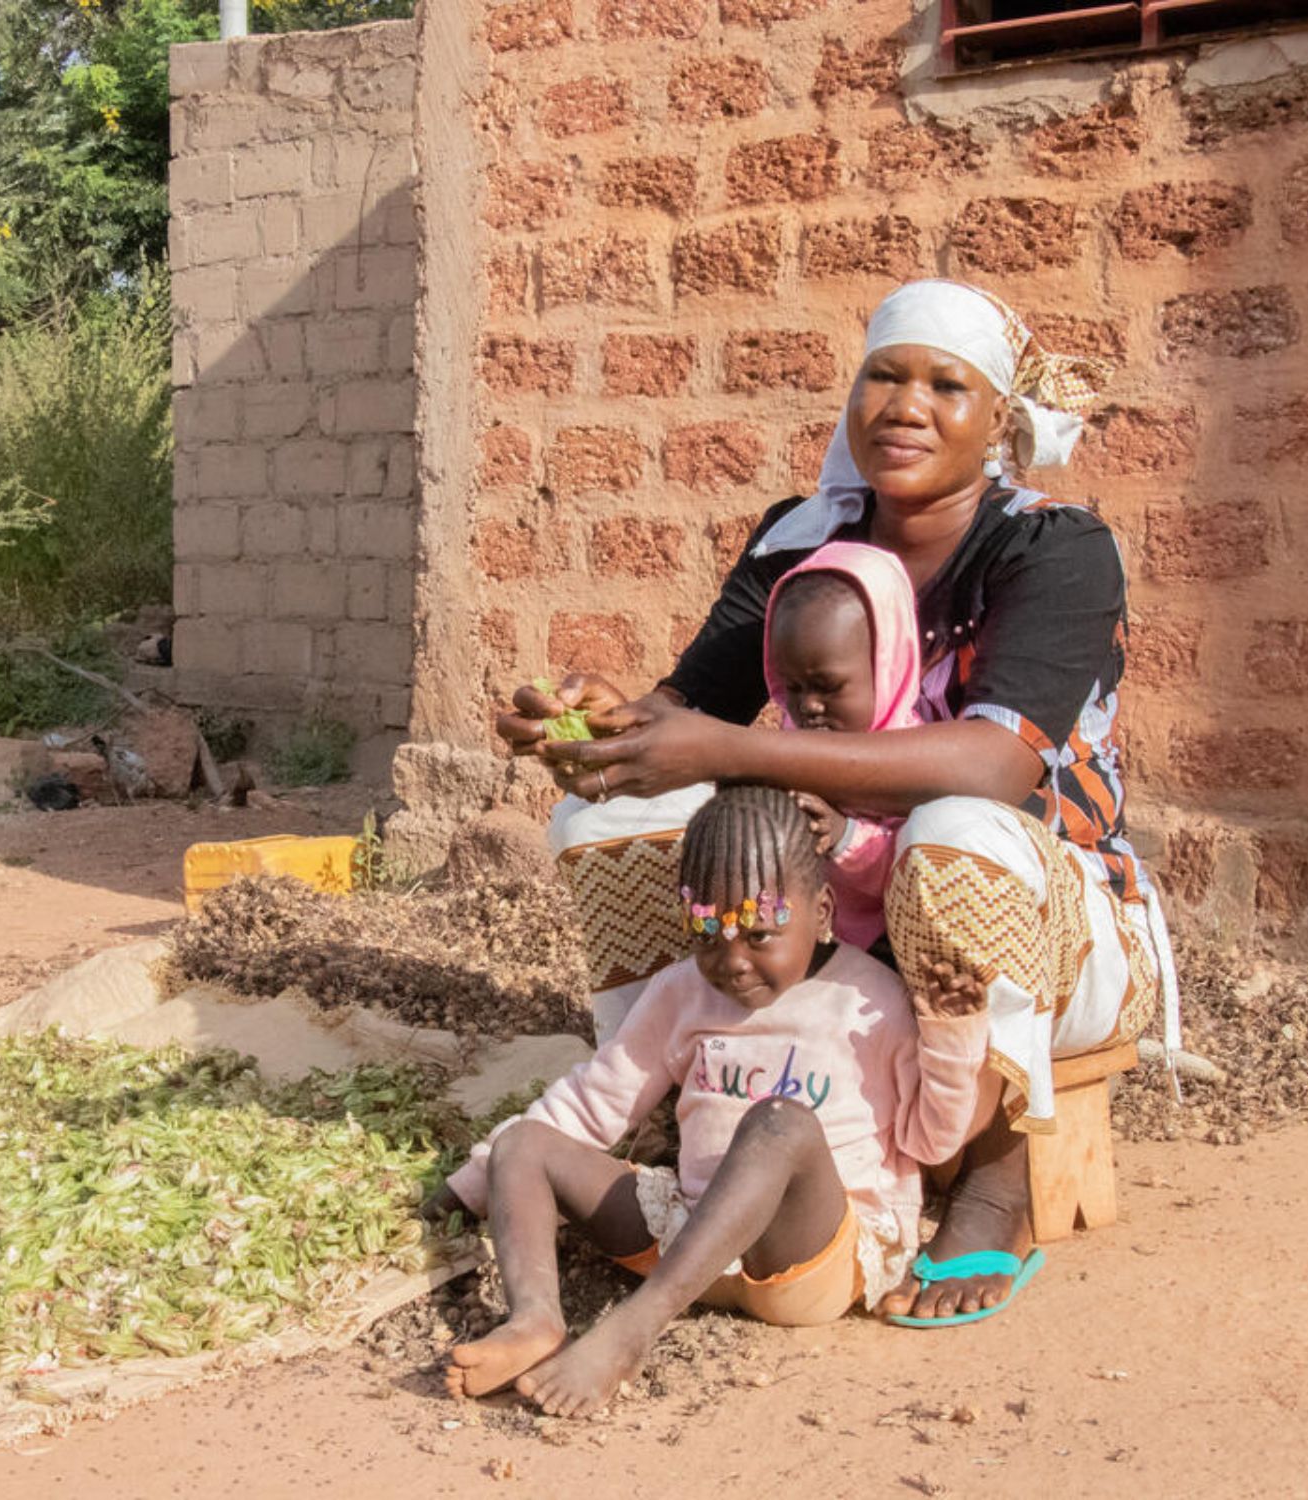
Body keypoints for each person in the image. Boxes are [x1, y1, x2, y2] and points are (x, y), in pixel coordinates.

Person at [502, 279, 1181, 1327]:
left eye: (945, 385)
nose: (905, 405)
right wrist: (592, 736)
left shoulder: (1052, 548)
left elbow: (998, 766)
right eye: (883, 376)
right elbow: (687, 708)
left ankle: (994, 1180)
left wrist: (746, 756)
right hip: (827, 919)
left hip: (1051, 937)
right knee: (603, 820)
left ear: (997, 419)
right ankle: (667, 1099)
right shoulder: (798, 540)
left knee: (955, 832)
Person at [429, 787, 989, 1417]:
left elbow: (933, 1143)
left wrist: (951, 1039)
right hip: (688, 1241)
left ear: (822, 908)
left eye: (759, 934)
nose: (733, 963)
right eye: (708, 934)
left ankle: (631, 1332)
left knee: (780, 1123)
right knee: (522, 1141)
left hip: (806, 1263)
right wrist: (477, 1180)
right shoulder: (681, 992)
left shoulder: (872, 1000)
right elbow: (593, 1102)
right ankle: (534, 1320)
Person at [761, 540, 923, 951]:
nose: (809, 706)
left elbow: (912, 869)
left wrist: (844, 835)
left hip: (895, 955)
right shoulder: (788, 749)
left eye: (828, 687)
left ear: (886, 665)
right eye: (791, 687)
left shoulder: (915, 758)